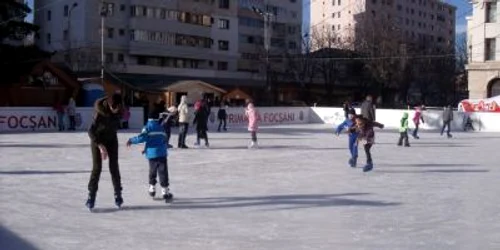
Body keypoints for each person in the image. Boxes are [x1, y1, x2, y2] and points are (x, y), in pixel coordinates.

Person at [86, 93, 124, 210]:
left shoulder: (119, 109)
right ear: (109, 105)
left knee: (114, 167)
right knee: (97, 168)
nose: (115, 111)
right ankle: (91, 195)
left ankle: (118, 193)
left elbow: (119, 119)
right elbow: (90, 131)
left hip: (112, 140)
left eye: (118, 108)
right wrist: (100, 146)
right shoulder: (99, 112)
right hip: (97, 140)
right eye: (114, 108)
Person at [126, 111, 173, 201]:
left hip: (152, 155)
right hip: (162, 154)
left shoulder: (147, 127)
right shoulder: (161, 127)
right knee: (163, 172)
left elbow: (142, 138)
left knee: (153, 171)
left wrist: (131, 140)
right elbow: (163, 139)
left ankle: (152, 188)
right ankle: (165, 191)